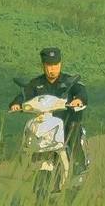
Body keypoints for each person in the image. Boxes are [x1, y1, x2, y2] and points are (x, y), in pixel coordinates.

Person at [10, 48, 88, 181]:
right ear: (43, 66)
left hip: (65, 121)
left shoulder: (69, 81)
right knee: (31, 130)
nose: (52, 69)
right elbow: (24, 94)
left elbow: (81, 90)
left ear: (60, 64)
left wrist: (78, 100)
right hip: (44, 123)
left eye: (55, 65)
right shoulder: (36, 84)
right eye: (49, 65)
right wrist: (17, 104)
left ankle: (77, 163)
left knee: (73, 127)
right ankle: (24, 164)